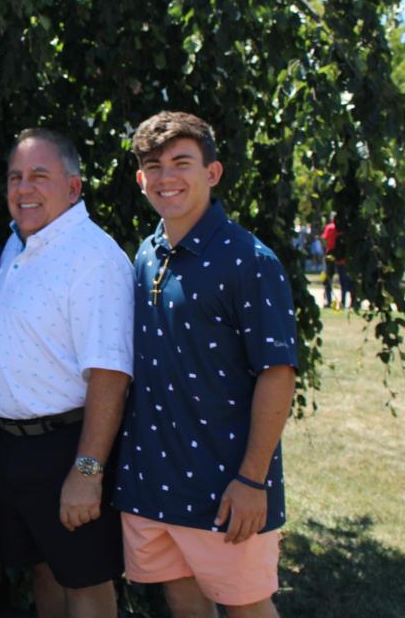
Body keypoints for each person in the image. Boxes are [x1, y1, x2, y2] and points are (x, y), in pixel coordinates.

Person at [114, 111, 297, 618]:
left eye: (181, 162)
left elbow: (277, 373)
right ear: (140, 179)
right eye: (154, 165)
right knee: (181, 602)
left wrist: (253, 480)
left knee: (246, 607)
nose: (166, 177)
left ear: (212, 173)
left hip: (226, 484)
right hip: (151, 479)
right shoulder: (146, 254)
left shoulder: (250, 261)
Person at [0, 128, 134, 618]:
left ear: (74, 187)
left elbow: (110, 374)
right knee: (44, 572)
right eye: (15, 177)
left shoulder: (92, 256)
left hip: (69, 447)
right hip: (16, 448)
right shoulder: (19, 243)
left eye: (39, 176)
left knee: (85, 583)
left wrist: (87, 473)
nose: (24, 188)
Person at [321, 212, 351, 309]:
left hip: (330, 256)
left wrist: (327, 247)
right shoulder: (343, 229)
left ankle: (329, 302)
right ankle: (343, 302)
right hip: (342, 258)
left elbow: (324, 239)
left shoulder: (329, 227)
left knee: (328, 280)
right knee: (343, 281)